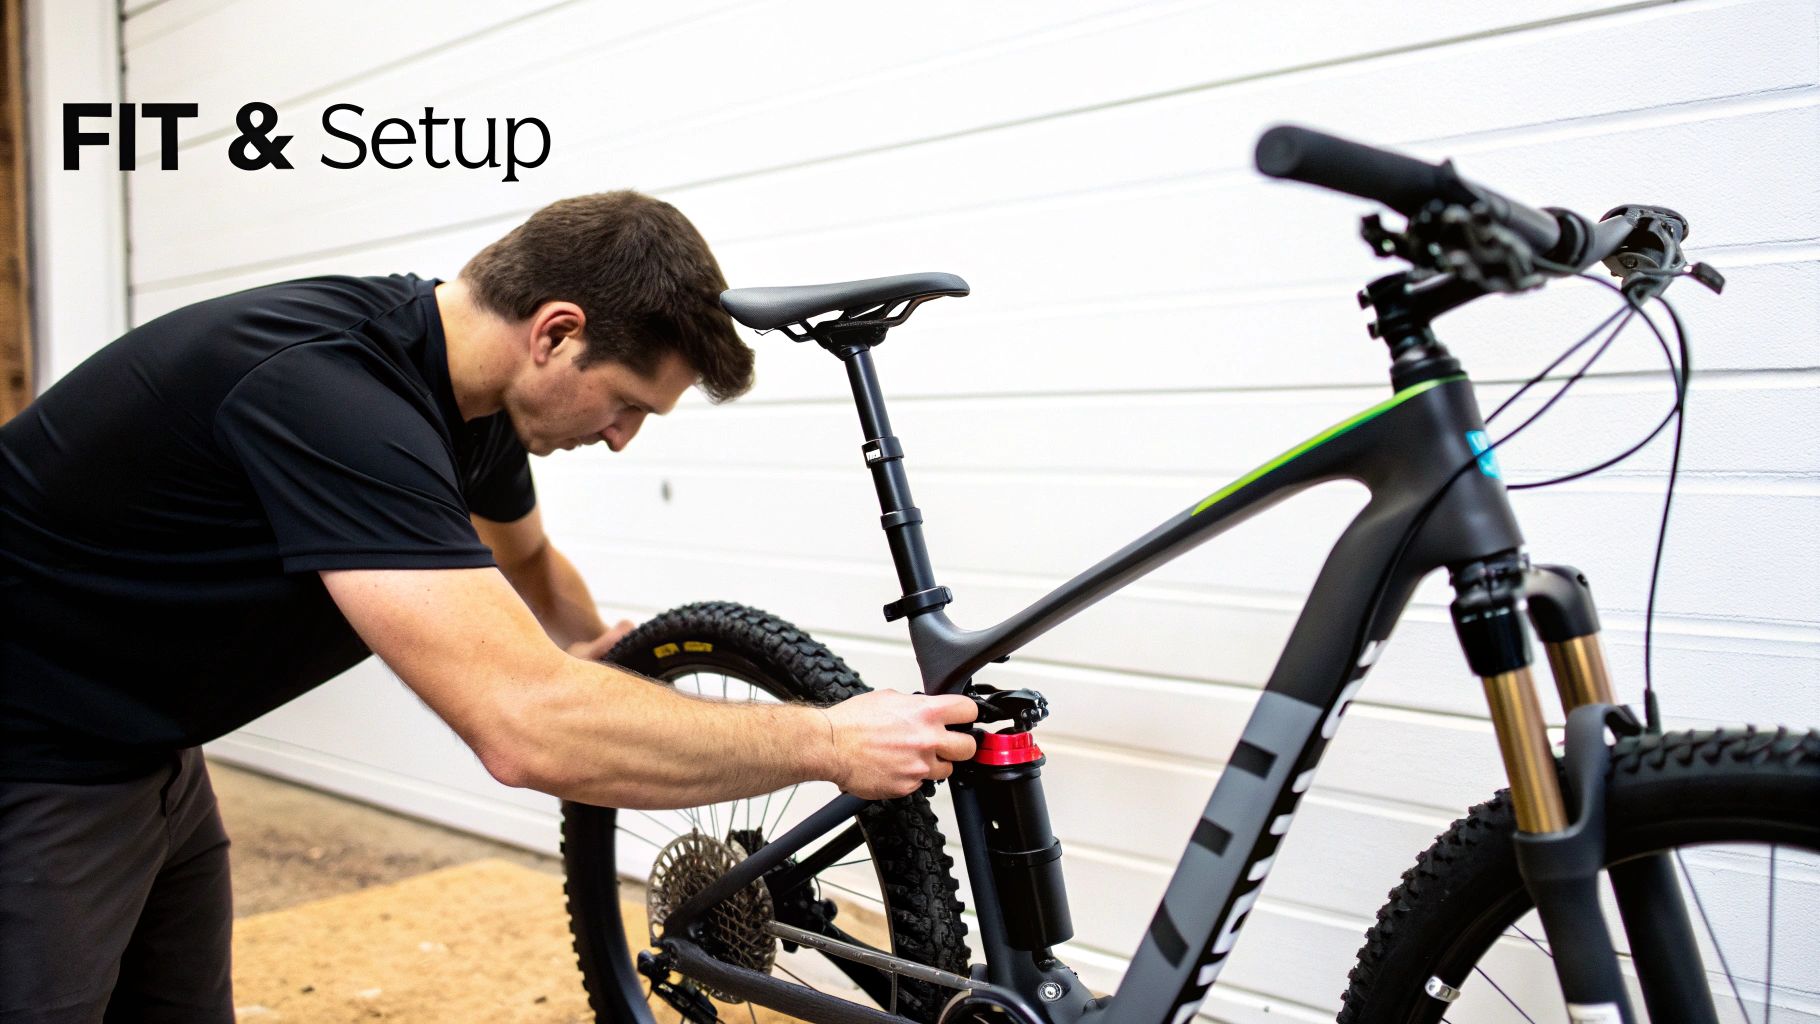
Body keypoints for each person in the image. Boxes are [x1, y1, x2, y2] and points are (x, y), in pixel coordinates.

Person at [0, 190, 978, 1022]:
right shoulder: (330, 399)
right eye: (627, 403)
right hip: (37, 756)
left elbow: (530, 564)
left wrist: (596, 650)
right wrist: (832, 744)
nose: (623, 438)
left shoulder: (465, 399)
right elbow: (523, 731)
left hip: (150, 746)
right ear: (556, 333)